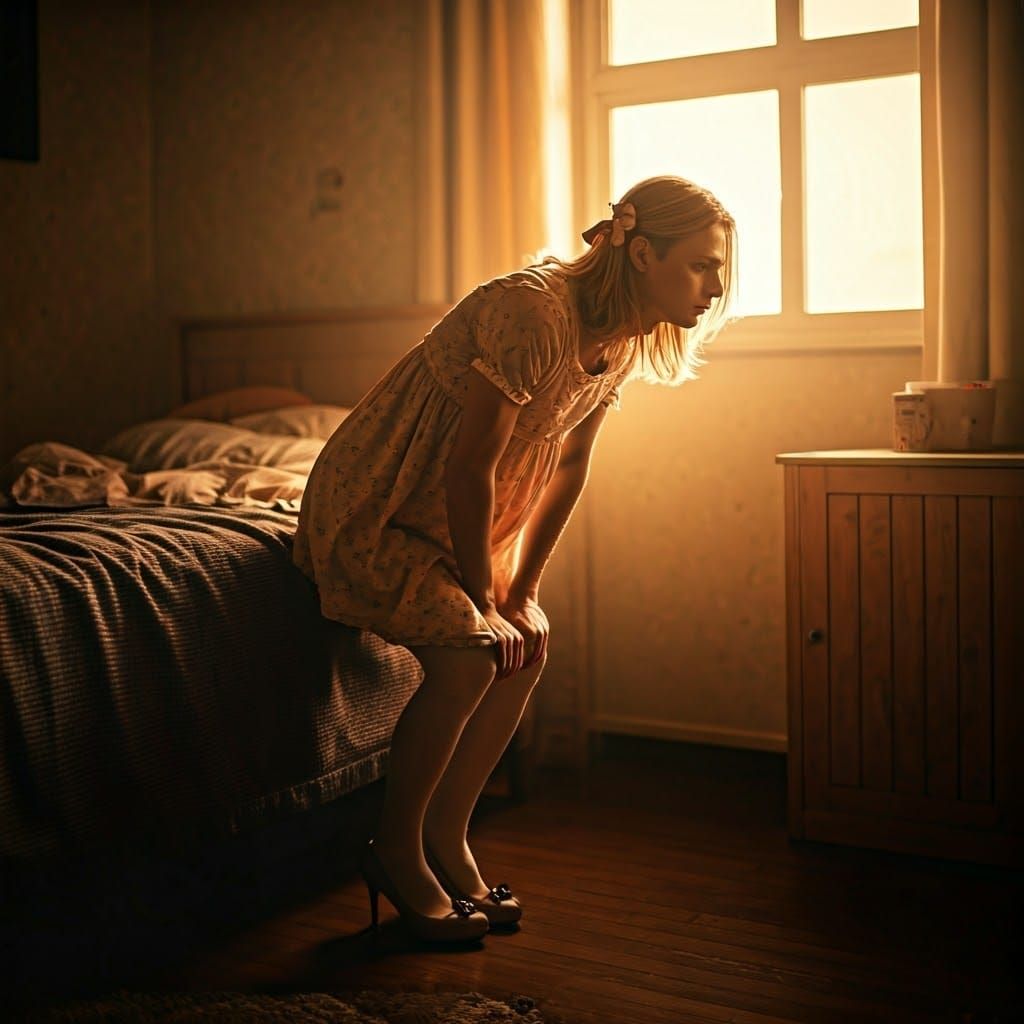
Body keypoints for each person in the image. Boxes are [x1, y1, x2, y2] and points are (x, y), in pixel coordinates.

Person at [293, 174, 737, 942]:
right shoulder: (534, 311)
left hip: (447, 526)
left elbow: (569, 466)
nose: (716, 288)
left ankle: (447, 835)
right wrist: (481, 600)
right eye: (701, 265)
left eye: (718, 269)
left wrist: (521, 593)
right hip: (378, 510)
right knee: (473, 654)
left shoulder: (620, 339)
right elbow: (470, 467)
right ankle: (395, 848)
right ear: (641, 253)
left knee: (526, 645)